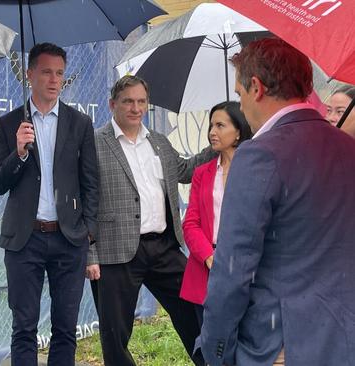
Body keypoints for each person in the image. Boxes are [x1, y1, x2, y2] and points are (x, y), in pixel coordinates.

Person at [200, 38, 355, 366]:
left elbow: (233, 269)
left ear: (256, 87)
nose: (240, 107)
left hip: (282, 345)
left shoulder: (259, 155)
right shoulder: (347, 147)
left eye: (239, 95)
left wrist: (215, 350)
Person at [85, 75, 214, 366]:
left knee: (195, 309)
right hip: (115, 253)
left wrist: (217, 143)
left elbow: (184, 170)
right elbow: (85, 201)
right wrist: (89, 252)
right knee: (115, 335)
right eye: (128, 101)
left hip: (164, 248)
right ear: (112, 104)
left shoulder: (158, 141)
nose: (136, 108)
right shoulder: (94, 144)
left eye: (141, 101)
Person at [0, 42, 98, 366]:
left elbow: (92, 183)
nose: (54, 79)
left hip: (68, 240)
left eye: (60, 73)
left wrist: (88, 231)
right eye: (47, 72)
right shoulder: (10, 125)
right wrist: (18, 153)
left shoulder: (80, 124)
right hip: (25, 241)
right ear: (30, 74)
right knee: (23, 328)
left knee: (65, 329)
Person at [179, 101, 252, 326]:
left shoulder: (255, 170)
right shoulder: (202, 173)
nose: (212, 132)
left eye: (220, 126)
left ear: (238, 132)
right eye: (211, 126)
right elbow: (190, 222)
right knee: (210, 345)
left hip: (245, 269)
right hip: (206, 268)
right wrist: (209, 257)